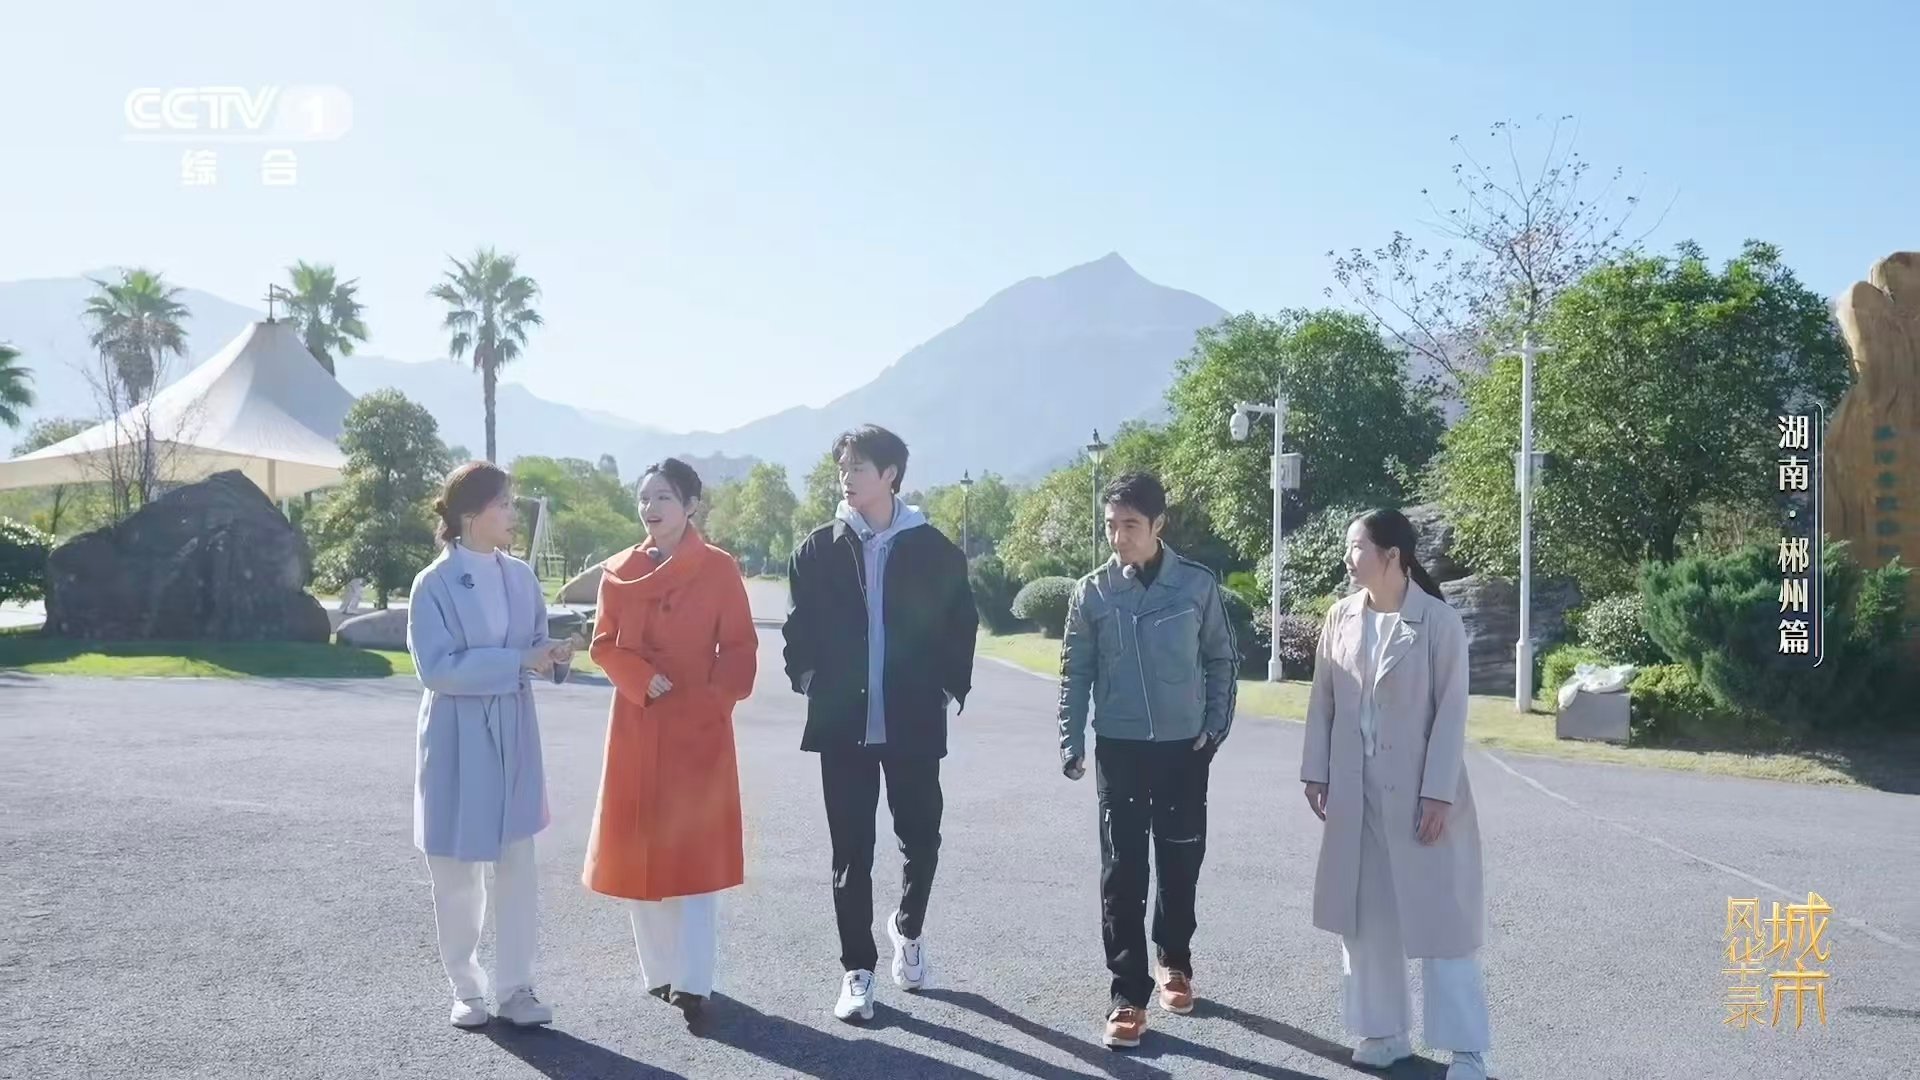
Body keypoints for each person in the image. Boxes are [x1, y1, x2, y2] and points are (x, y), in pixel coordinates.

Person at [781, 424, 978, 1023]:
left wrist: (947, 687)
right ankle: (857, 971)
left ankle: (908, 929)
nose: (846, 477)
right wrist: (809, 680)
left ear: (890, 475)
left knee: (921, 840)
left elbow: (961, 625)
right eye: (843, 467)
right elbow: (797, 628)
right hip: (843, 726)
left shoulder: (935, 550)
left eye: (858, 467)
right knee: (851, 850)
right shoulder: (817, 550)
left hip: (912, 724)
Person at [1300, 508, 1491, 1080]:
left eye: (1356, 547)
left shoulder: (1438, 623)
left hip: (1422, 797)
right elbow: (1322, 702)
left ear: (1391, 556)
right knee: (1365, 920)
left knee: (1443, 922)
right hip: (1356, 794)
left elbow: (1452, 714)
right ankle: (1383, 1034)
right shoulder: (1340, 617)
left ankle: (1467, 1052)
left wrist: (1438, 794)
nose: (1347, 557)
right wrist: (1316, 772)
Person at [1057, 471, 1239, 1050]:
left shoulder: (1197, 585)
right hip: (1121, 748)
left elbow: (1221, 659)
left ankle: (1174, 960)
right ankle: (1127, 995)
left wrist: (1215, 726)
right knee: (1123, 870)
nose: (1118, 538)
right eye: (1111, 526)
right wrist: (1071, 739)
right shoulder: (1092, 592)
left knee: (1181, 860)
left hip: (1185, 749)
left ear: (1159, 524)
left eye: (1130, 525)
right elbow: (1075, 672)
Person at [582, 458, 758, 1030]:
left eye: (662, 497)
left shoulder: (719, 568)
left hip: (697, 726)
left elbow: (740, 647)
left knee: (695, 853)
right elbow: (603, 644)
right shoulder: (618, 572)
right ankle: (658, 971)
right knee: (638, 846)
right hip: (637, 722)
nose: (650, 508)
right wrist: (637, 677)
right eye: (644, 498)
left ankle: (694, 980)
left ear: (690, 506)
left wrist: (713, 701)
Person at [407, 461, 575, 1029]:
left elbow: (532, 646)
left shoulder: (521, 577)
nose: (512, 513)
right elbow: (437, 669)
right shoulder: (433, 583)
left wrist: (552, 655)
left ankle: (517, 989)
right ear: (469, 514)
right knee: (456, 869)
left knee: (518, 862)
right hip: (456, 734)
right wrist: (518, 660)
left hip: (513, 728)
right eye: (503, 503)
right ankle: (466, 988)